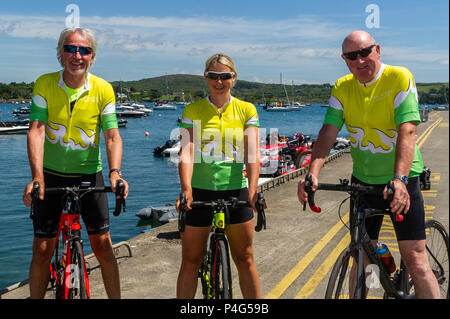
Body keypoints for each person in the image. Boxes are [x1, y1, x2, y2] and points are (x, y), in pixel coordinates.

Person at [297, 30, 440, 298]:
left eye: (365, 52)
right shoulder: (342, 87)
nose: (360, 61)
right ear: (344, 59)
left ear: (378, 50)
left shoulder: (398, 77)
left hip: (402, 180)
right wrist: (311, 173)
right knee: (360, 257)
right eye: (352, 56)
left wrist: (399, 179)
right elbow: (328, 132)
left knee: (416, 261)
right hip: (363, 181)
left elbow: (408, 130)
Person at [22, 27, 129, 299]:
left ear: (92, 57)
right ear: (60, 53)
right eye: (71, 48)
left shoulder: (103, 89)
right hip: (51, 175)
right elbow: (36, 130)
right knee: (43, 248)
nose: (77, 55)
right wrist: (37, 177)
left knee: (103, 245)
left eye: (84, 50)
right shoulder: (45, 83)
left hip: (89, 175)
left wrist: (115, 173)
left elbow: (112, 135)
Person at [176, 53, 261, 298]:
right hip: (200, 190)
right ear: (206, 78)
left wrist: (253, 190)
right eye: (213, 76)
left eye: (225, 76)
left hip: (235, 189)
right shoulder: (193, 109)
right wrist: (186, 189)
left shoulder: (246, 109)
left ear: (233, 78)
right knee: (191, 261)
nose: (219, 81)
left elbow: (252, 153)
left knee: (245, 259)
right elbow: (187, 151)